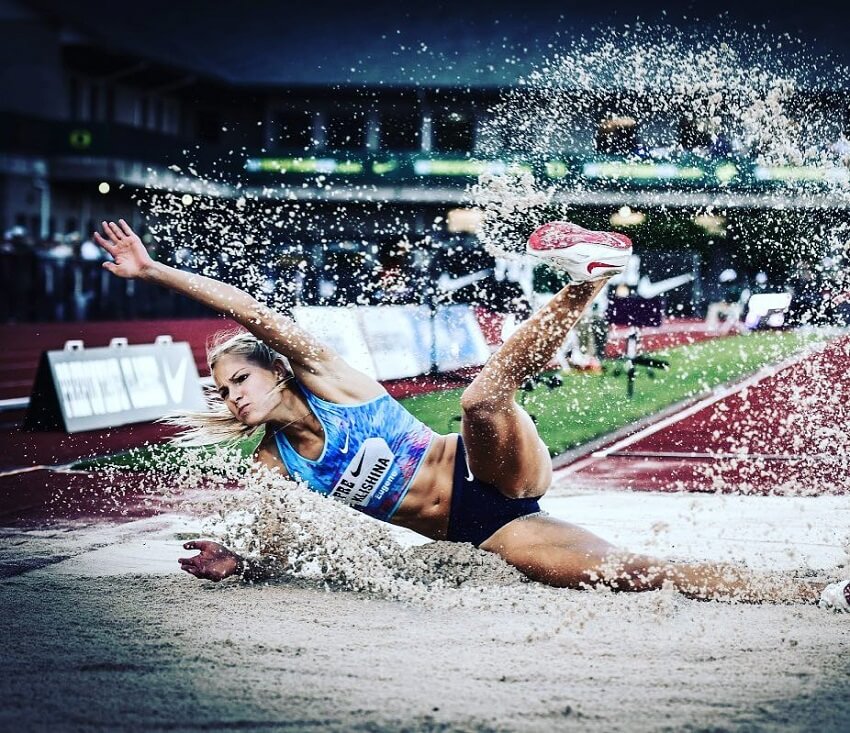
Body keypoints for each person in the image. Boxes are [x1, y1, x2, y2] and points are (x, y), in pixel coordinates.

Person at [93, 219, 850, 609]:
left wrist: (154, 269)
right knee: (631, 572)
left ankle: (585, 284)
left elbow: (249, 308)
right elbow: (285, 540)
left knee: (481, 399)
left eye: (238, 379)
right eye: (222, 392)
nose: (233, 396)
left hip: (489, 463)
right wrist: (245, 562)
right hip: (490, 528)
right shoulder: (274, 464)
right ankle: (814, 589)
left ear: (273, 365)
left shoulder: (326, 375)